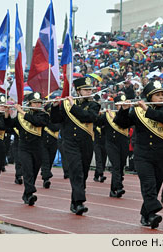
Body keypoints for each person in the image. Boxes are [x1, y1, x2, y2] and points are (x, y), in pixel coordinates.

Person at [114, 80, 163, 229]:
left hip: (161, 155)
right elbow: (121, 123)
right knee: (149, 185)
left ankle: (145, 214)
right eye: (157, 95)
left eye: (162, 95)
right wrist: (123, 110)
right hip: (143, 155)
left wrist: (148, 110)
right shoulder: (137, 111)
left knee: (157, 185)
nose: (161, 98)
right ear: (149, 97)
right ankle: (153, 213)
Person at [50, 77, 101, 215]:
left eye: (90, 89)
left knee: (83, 173)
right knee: (76, 171)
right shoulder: (66, 104)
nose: (88, 92)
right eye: (85, 90)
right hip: (70, 143)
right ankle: (79, 202)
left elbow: (88, 117)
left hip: (86, 143)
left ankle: (74, 201)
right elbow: (56, 120)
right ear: (78, 91)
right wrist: (54, 107)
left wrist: (73, 106)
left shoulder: (94, 105)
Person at [6, 92, 49, 205]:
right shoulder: (21, 116)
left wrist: (21, 112)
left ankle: (27, 194)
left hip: (38, 147)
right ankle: (30, 193)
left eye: (39, 103)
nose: (37, 105)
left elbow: (37, 122)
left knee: (34, 171)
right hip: (24, 147)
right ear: (30, 103)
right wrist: (7, 113)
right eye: (35, 103)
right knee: (28, 170)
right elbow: (10, 125)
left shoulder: (43, 115)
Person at [97, 94, 129, 197]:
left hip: (123, 143)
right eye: (120, 105)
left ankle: (113, 189)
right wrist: (98, 115)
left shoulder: (128, 115)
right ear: (116, 105)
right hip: (111, 143)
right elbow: (98, 123)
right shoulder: (107, 115)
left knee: (121, 166)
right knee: (116, 165)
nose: (121, 106)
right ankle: (119, 187)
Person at [40, 103, 60, 188]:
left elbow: (55, 128)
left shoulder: (56, 120)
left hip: (53, 142)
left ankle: (45, 173)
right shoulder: (42, 118)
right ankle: (46, 178)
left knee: (50, 160)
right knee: (45, 160)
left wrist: (47, 120)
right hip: (43, 142)